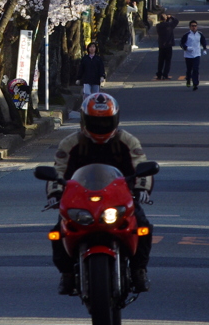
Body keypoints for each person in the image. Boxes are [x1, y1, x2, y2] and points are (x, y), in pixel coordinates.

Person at [46, 93, 154, 294]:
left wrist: (141, 190)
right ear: (84, 120)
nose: (101, 126)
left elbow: (141, 166)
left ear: (115, 119)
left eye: (106, 121)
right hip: (80, 200)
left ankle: (139, 269)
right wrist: (55, 192)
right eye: (95, 121)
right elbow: (58, 171)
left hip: (120, 198)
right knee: (57, 232)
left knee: (143, 226)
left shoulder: (127, 140)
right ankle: (67, 273)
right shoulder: (70, 143)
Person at [180, 20, 208, 90]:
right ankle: (188, 80)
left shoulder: (200, 34)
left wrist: (204, 49)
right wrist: (186, 48)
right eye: (192, 26)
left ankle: (195, 84)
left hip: (197, 54)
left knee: (195, 69)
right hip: (188, 55)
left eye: (195, 26)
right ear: (190, 27)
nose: (194, 27)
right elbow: (181, 43)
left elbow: (203, 41)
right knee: (189, 69)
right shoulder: (187, 35)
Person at [154, 12, 179, 80]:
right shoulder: (169, 25)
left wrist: (167, 19)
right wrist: (171, 17)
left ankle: (159, 74)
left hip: (161, 45)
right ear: (166, 18)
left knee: (161, 61)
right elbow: (176, 21)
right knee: (167, 61)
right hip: (168, 44)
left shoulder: (158, 26)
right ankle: (165, 75)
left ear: (159, 19)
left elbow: (164, 24)